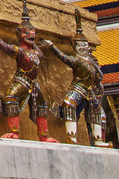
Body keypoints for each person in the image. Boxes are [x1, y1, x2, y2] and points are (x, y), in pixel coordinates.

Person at [0, 0, 56, 142]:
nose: (30, 36)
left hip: (34, 83)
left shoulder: (36, 52)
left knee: (42, 104)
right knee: (10, 98)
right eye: (26, 33)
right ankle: (14, 132)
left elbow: (41, 52)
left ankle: (44, 136)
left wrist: (43, 43)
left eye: (33, 33)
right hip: (21, 80)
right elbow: (4, 47)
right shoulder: (19, 51)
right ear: (19, 35)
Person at [40, 8, 109, 147]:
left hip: (90, 90)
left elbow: (99, 76)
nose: (83, 47)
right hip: (78, 88)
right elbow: (63, 57)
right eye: (80, 45)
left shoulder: (90, 61)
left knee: (97, 112)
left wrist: (93, 62)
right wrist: (52, 46)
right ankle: (71, 137)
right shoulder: (76, 60)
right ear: (75, 47)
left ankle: (98, 140)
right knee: (69, 104)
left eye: (85, 45)